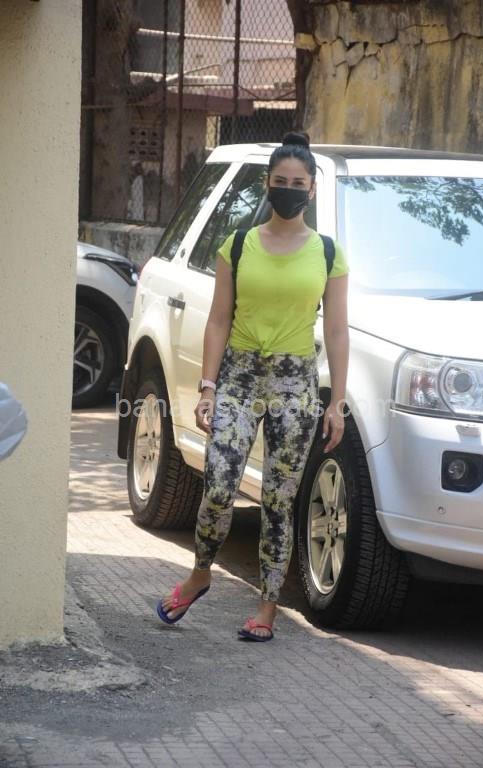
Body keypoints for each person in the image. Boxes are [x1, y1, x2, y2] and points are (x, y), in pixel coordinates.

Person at [157, 131, 350, 641]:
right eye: (280, 181)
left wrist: (336, 402)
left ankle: (267, 607)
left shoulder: (328, 254)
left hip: (295, 385)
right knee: (219, 484)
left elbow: (336, 331)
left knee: (279, 500)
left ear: (312, 190)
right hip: (239, 378)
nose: (289, 189)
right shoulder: (238, 245)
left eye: (298, 183)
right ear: (267, 184)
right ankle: (200, 574)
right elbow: (218, 319)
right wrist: (207, 387)